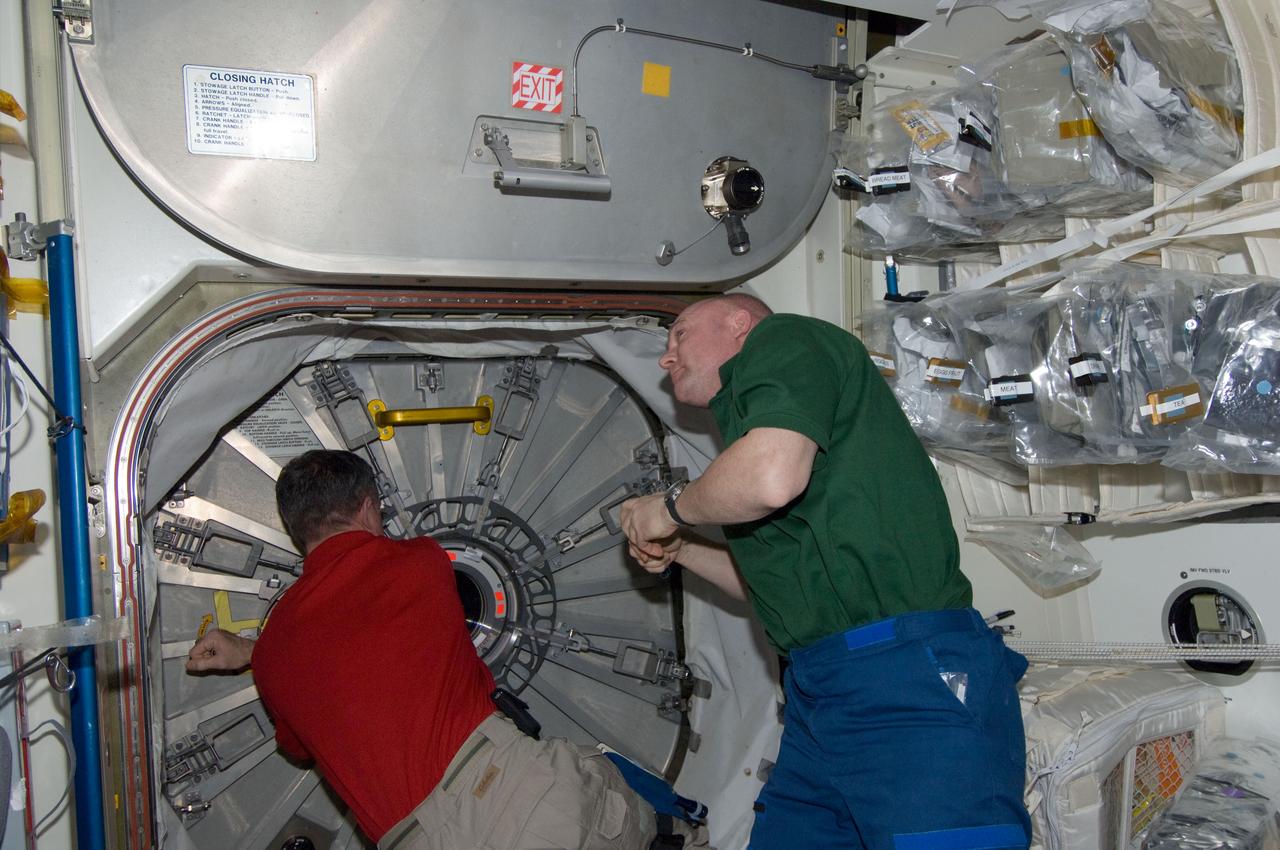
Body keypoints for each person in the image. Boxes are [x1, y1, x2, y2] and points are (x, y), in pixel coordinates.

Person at [620, 294, 1031, 850]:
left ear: (739, 323)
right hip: (820, 694)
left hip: (902, 674)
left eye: (681, 334)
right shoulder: (757, 436)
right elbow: (763, 588)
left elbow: (770, 479)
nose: (667, 356)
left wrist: (669, 509)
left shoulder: (787, 338)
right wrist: (682, 550)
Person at [187, 449, 675, 850]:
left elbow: (300, 740)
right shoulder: (422, 561)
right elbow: (368, 623)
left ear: (297, 530)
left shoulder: (274, 656)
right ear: (368, 508)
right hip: (513, 789)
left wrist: (255, 651)